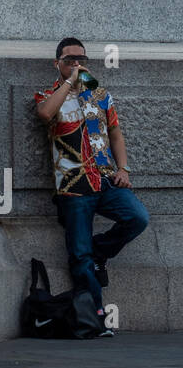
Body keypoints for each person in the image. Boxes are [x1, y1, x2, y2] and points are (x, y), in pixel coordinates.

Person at [34, 37, 149, 332]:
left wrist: (123, 168)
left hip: (106, 179)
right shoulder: (47, 93)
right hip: (74, 186)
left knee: (137, 218)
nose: (77, 64)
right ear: (57, 63)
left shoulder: (99, 94)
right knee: (79, 255)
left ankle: (101, 252)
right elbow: (45, 114)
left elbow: (115, 133)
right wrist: (70, 81)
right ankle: (96, 319)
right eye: (70, 60)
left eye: (81, 59)